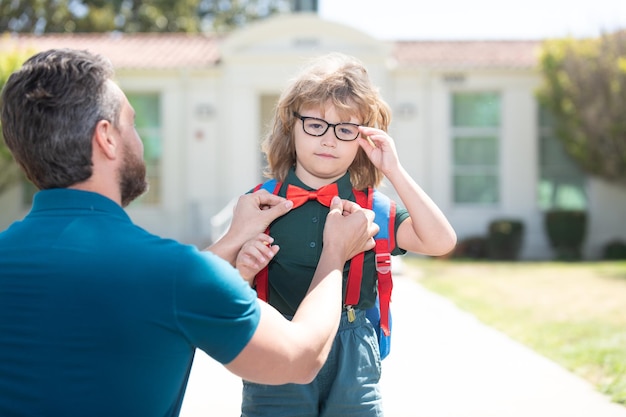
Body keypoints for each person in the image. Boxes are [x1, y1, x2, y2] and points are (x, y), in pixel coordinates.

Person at [0, 48, 380, 417]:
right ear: (107, 138)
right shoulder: (174, 273)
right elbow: (299, 360)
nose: (141, 141)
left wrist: (232, 240)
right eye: (131, 123)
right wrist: (335, 253)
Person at [236, 52, 457, 417]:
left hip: (354, 354)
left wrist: (394, 170)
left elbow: (441, 241)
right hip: (277, 343)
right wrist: (243, 267)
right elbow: (221, 280)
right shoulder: (258, 204)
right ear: (291, 125)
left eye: (345, 129)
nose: (329, 139)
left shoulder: (374, 210)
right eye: (315, 124)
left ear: (363, 137)